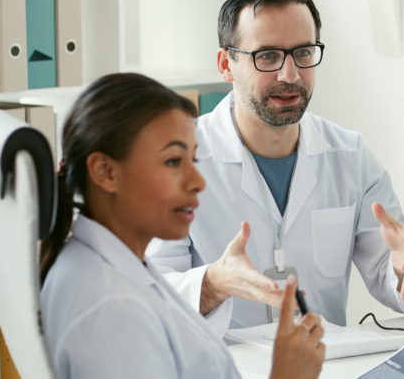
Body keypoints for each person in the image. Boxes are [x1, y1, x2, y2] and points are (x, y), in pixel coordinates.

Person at [146, 0, 404, 333]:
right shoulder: (176, 161)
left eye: (303, 52)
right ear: (226, 64)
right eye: (268, 56)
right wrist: (215, 283)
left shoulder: (350, 157)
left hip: (321, 366)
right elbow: (152, 296)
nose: (290, 75)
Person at [40, 73, 325, 379]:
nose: (198, 182)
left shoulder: (110, 265)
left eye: (193, 159)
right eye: (174, 162)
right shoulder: (111, 310)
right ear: (105, 171)